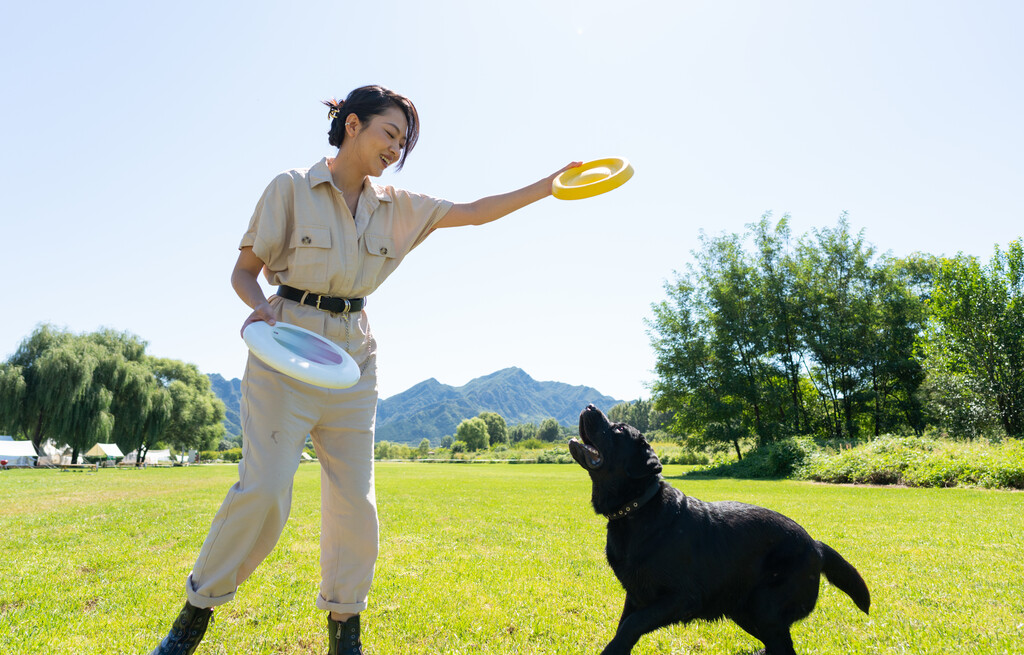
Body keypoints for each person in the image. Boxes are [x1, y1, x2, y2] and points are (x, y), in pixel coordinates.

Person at [149, 84, 579, 655]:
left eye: (403, 142)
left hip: (355, 359)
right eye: (390, 133)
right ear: (352, 124)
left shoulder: (396, 205)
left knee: (357, 502)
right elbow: (244, 271)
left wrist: (548, 186)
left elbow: (475, 214)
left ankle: (344, 630)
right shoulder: (291, 187)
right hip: (287, 348)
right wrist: (258, 310)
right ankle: (195, 615)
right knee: (266, 491)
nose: (396, 149)